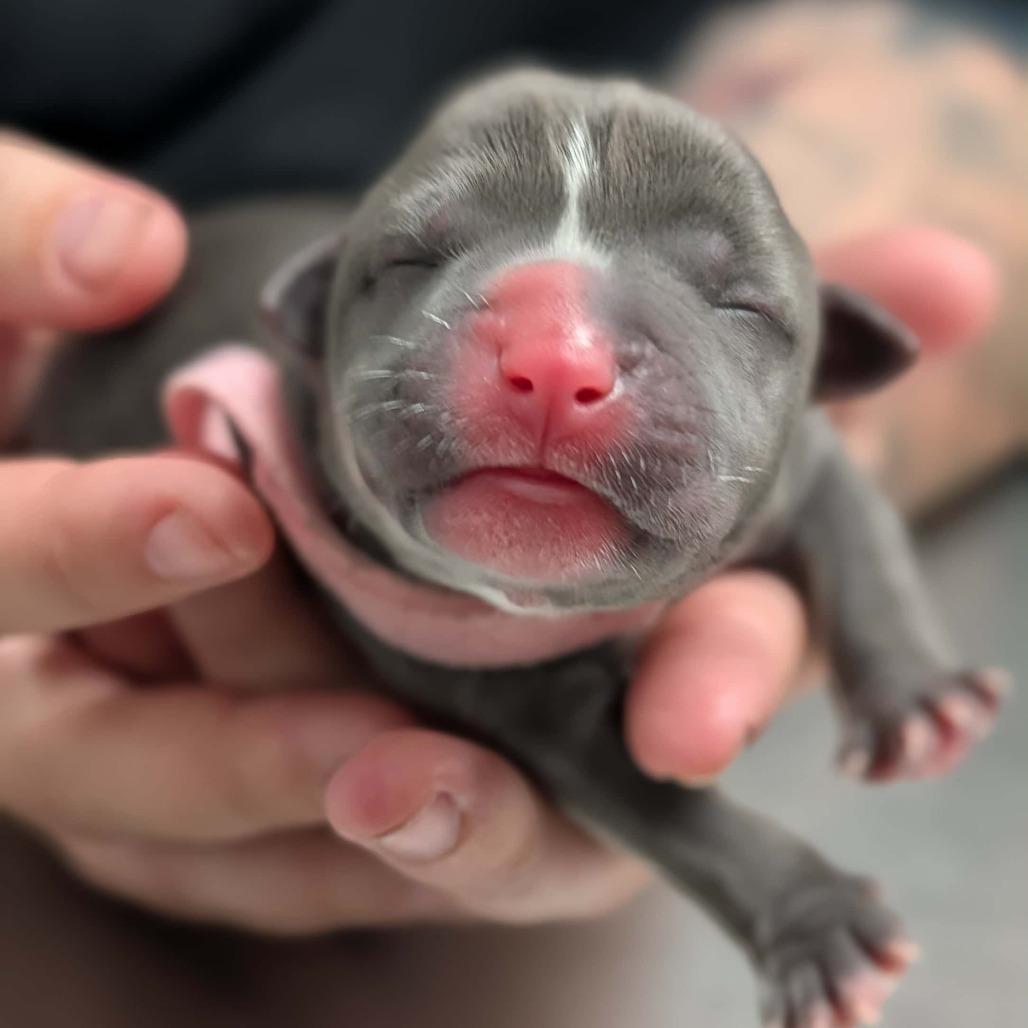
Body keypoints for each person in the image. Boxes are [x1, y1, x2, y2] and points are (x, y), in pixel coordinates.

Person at [0, 0, 1023, 934]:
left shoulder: (793, 427)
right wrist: (790, 899)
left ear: (827, 369)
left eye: (740, 308)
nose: (556, 361)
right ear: (309, 325)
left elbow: (826, 472)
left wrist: (887, 652)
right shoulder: (306, 435)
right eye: (410, 265)